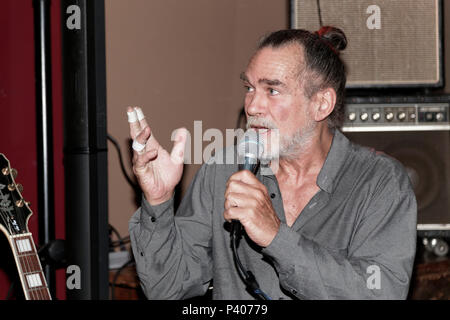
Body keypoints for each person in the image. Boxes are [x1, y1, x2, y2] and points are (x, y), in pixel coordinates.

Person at [127, 27, 417, 300]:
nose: (252, 106)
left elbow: (381, 292)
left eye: (272, 90)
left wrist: (276, 237)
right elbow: (167, 288)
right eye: (250, 87)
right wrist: (159, 202)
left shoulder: (379, 182)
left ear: (321, 103)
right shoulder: (223, 171)